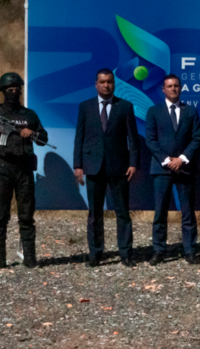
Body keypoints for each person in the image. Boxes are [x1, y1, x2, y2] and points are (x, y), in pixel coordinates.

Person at [0, 72, 48, 269]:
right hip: (3, 169)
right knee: (0, 215)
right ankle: (0, 259)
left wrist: (33, 133)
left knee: (26, 216)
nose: (14, 93)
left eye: (17, 89)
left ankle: (30, 258)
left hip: (24, 170)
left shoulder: (29, 115)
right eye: (9, 90)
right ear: (3, 91)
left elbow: (44, 137)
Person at [73, 68, 139, 268]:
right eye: (102, 82)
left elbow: (133, 139)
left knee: (122, 213)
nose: (106, 85)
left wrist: (133, 163)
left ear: (114, 83)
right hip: (93, 167)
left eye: (109, 81)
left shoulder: (125, 106)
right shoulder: (85, 107)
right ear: (96, 84)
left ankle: (126, 253)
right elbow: (80, 138)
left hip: (119, 167)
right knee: (95, 214)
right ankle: (95, 253)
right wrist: (78, 165)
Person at [145, 75, 200, 265]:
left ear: (181, 88)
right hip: (162, 169)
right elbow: (150, 140)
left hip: (184, 168)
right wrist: (166, 160)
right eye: (169, 86)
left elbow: (196, 138)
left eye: (176, 86)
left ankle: (189, 250)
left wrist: (182, 159)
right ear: (163, 89)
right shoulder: (154, 111)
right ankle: (159, 250)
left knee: (187, 212)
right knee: (160, 212)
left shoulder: (191, 111)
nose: (173, 89)